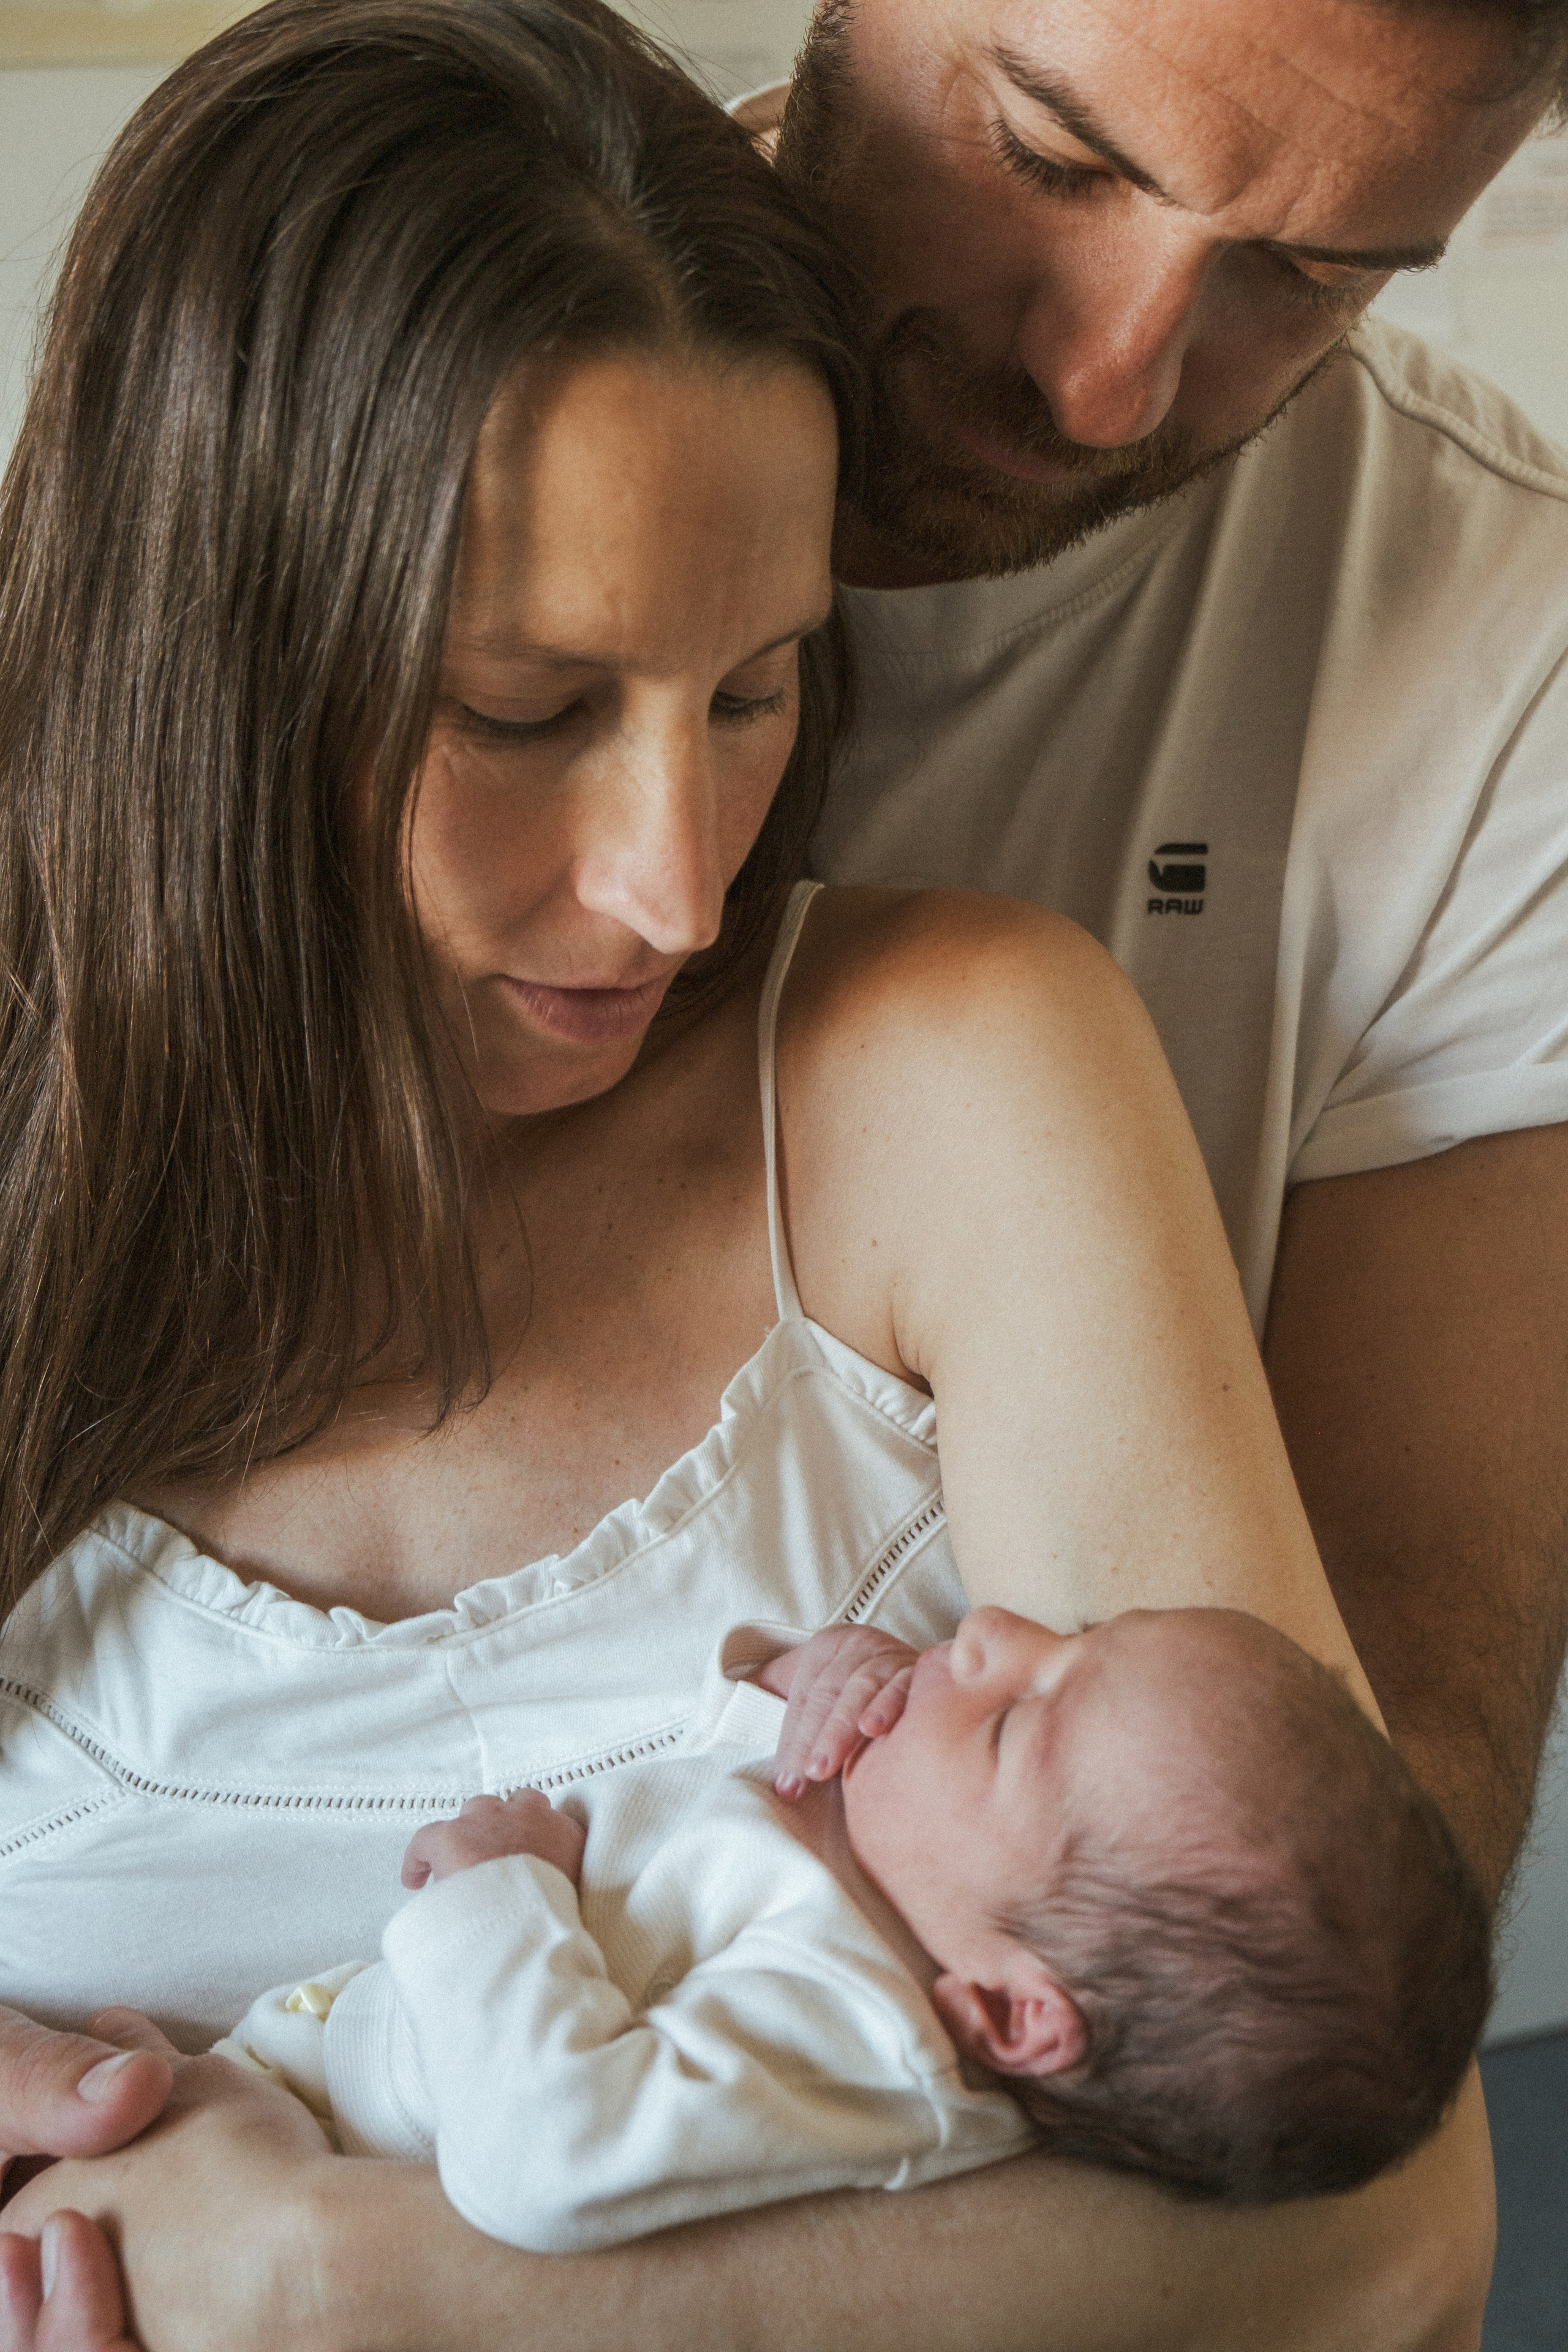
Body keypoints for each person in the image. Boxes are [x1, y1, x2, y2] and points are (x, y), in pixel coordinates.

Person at [0, 2, 1497, 2348]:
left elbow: (1382, 2230)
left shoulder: (956, 1079)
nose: (679, 893)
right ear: (208, 650)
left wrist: (346, 2281)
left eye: (756, 691)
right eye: (526, 711)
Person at [738, 0, 1568, 1932]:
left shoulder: (1502, 655)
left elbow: (1336, 1865)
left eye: (1308, 277)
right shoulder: (378, 369)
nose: (1109, 386)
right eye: (1052, 156)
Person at [214, 1604, 1490, 2244]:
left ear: (1008, 2011)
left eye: (1012, 1720)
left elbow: (552, 2153)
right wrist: (804, 1691)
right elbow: (699, 1835)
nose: (989, 1628)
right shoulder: (907, 1894)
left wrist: (498, 1887)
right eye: (1074, 1633)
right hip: (284, 2075)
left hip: (317, 2143)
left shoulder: (854, 2045)